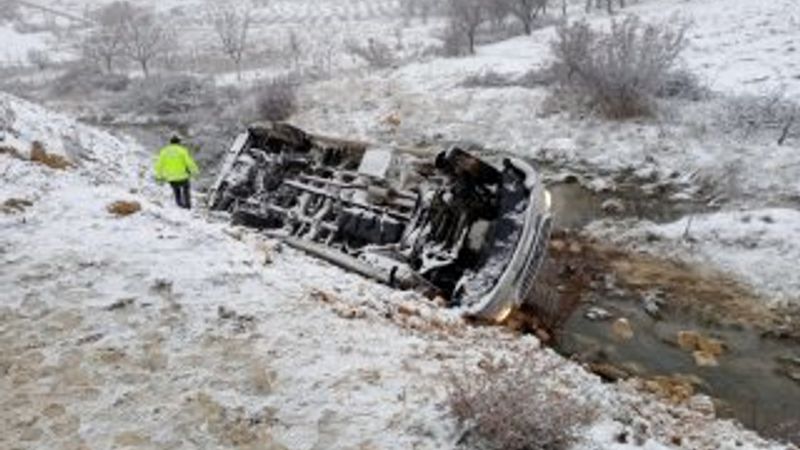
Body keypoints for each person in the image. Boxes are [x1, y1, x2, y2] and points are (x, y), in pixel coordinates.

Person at [155, 135, 199, 209]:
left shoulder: (164, 151)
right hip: (183, 176)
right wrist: (195, 171)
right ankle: (187, 205)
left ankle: (179, 204)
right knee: (186, 189)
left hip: (171, 177)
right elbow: (189, 162)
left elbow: (159, 165)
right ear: (179, 142)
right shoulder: (182, 150)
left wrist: (159, 176)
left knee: (176, 190)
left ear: (170, 142)